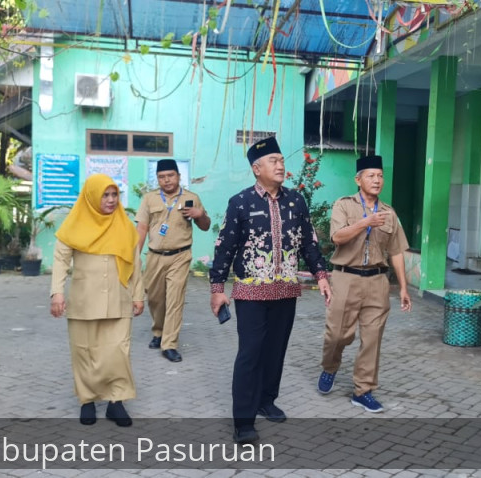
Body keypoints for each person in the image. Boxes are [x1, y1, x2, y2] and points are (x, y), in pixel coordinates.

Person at [210, 136, 332, 444]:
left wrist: (321, 275)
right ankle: (243, 420)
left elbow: (309, 242)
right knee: (250, 353)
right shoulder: (241, 202)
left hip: (286, 291)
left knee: (275, 351)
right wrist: (216, 288)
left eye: (281, 160)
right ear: (256, 168)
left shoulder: (296, 200)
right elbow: (225, 246)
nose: (280, 165)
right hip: (251, 292)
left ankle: (266, 400)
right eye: (273, 161)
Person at [316, 155, 412, 413]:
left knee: (372, 339)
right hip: (345, 278)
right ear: (358, 180)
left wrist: (402, 287)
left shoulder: (389, 213)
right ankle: (330, 367)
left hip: (378, 281)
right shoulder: (344, 206)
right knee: (338, 334)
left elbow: (397, 252)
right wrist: (365, 222)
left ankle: (363, 390)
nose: (377, 180)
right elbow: (337, 237)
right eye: (371, 175)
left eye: (380, 176)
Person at [49, 174, 145, 427]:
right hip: (84, 299)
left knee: (118, 351)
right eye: (105, 195)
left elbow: (136, 263)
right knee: (84, 351)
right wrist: (57, 292)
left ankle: (116, 403)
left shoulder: (125, 226)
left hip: (119, 298)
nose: (111, 200)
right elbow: (60, 260)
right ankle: (87, 401)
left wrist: (138, 295)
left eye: (114, 195)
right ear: (92, 196)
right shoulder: (74, 224)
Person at [135, 159, 210, 362]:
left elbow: (205, 225)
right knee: (155, 299)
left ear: (178, 176)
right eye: (162, 177)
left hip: (180, 256)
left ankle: (169, 344)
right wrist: (134, 256)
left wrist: (199, 214)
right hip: (154, 257)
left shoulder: (191, 198)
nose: (166, 180)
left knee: (175, 300)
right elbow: (141, 228)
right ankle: (158, 332)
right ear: (157, 179)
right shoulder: (149, 199)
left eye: (170, 176)